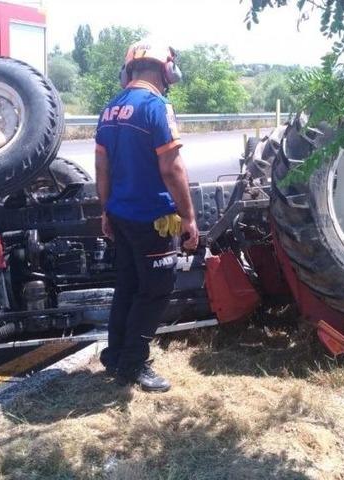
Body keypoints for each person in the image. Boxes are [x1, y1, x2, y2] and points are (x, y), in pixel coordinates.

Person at [95, 39, 198, 393]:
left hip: (121, 215)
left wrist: (106, 210)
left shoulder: (110, 108)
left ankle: (115, 355)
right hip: (151, 218)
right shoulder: (157, 107)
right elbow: (172, 170)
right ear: (167, 71)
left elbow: (101, 167)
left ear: (129, 70)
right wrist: (189, 218)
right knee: (154, 290)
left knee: (127, 286)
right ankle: (133, 364)